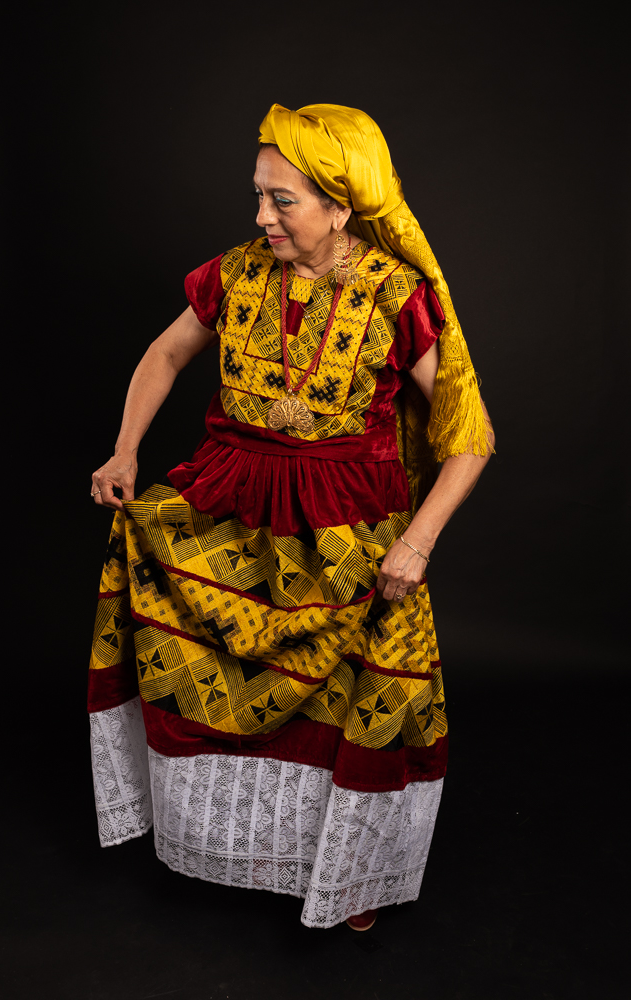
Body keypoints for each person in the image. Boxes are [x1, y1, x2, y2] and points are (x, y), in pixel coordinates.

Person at [87, 103, 494, 932]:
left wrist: (417, 542)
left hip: (347, 528)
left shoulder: (395, 293)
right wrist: (125, 450)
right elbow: (166, 352)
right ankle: (219, 847)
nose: (261, 217)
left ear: (340, 207)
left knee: (347, 701)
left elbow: (470, 437)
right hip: (226, 505)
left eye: (282, 200)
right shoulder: (234, 274)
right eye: (258, 196)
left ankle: (345, 880)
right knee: (204, 675)